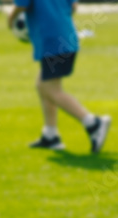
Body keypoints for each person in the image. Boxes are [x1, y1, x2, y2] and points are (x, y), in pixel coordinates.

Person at [8, 0, 110, 153]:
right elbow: (73, 7)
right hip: (66, 38)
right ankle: (51, 136)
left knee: (49, 89)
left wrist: (11, 19)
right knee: (43, 86)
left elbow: (22, 5)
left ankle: (93, 123)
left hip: (52, 42)